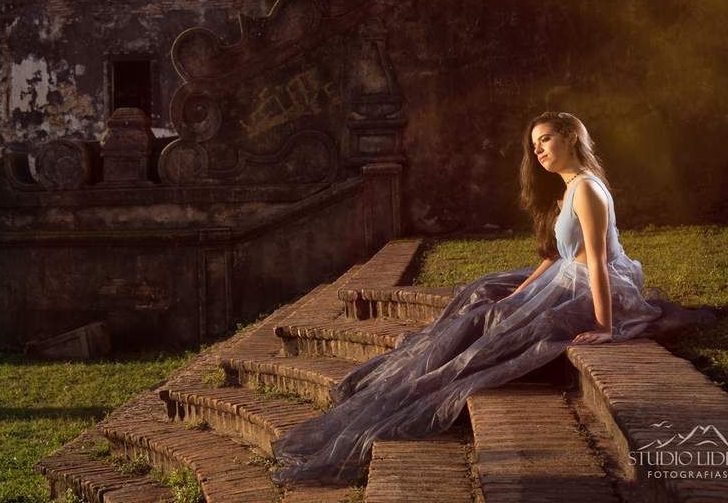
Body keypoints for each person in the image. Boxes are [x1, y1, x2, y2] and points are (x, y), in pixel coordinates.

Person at [270, 111, 663, 487]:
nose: (539, 151)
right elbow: (558, 255)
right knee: (484, 293)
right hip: (566, 276)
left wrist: (605, 327)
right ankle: (418, 370)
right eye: (535, 144)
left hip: (592, 285)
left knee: (494, 325)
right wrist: (522, 292)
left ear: (571, 137)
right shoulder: (568, 188)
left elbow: (595, 260)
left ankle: (427, 382)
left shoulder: (588, 189)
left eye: (546, 140)